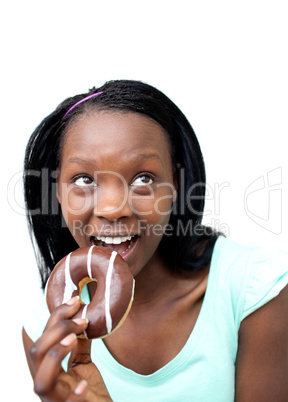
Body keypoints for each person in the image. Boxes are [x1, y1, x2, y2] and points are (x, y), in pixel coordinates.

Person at [22, 80, 288, 401]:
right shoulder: (48, 334)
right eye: (84, 179)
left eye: (143, 178)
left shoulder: (253, 291)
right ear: (57, 191)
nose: (112, 209)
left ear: (175, 185)